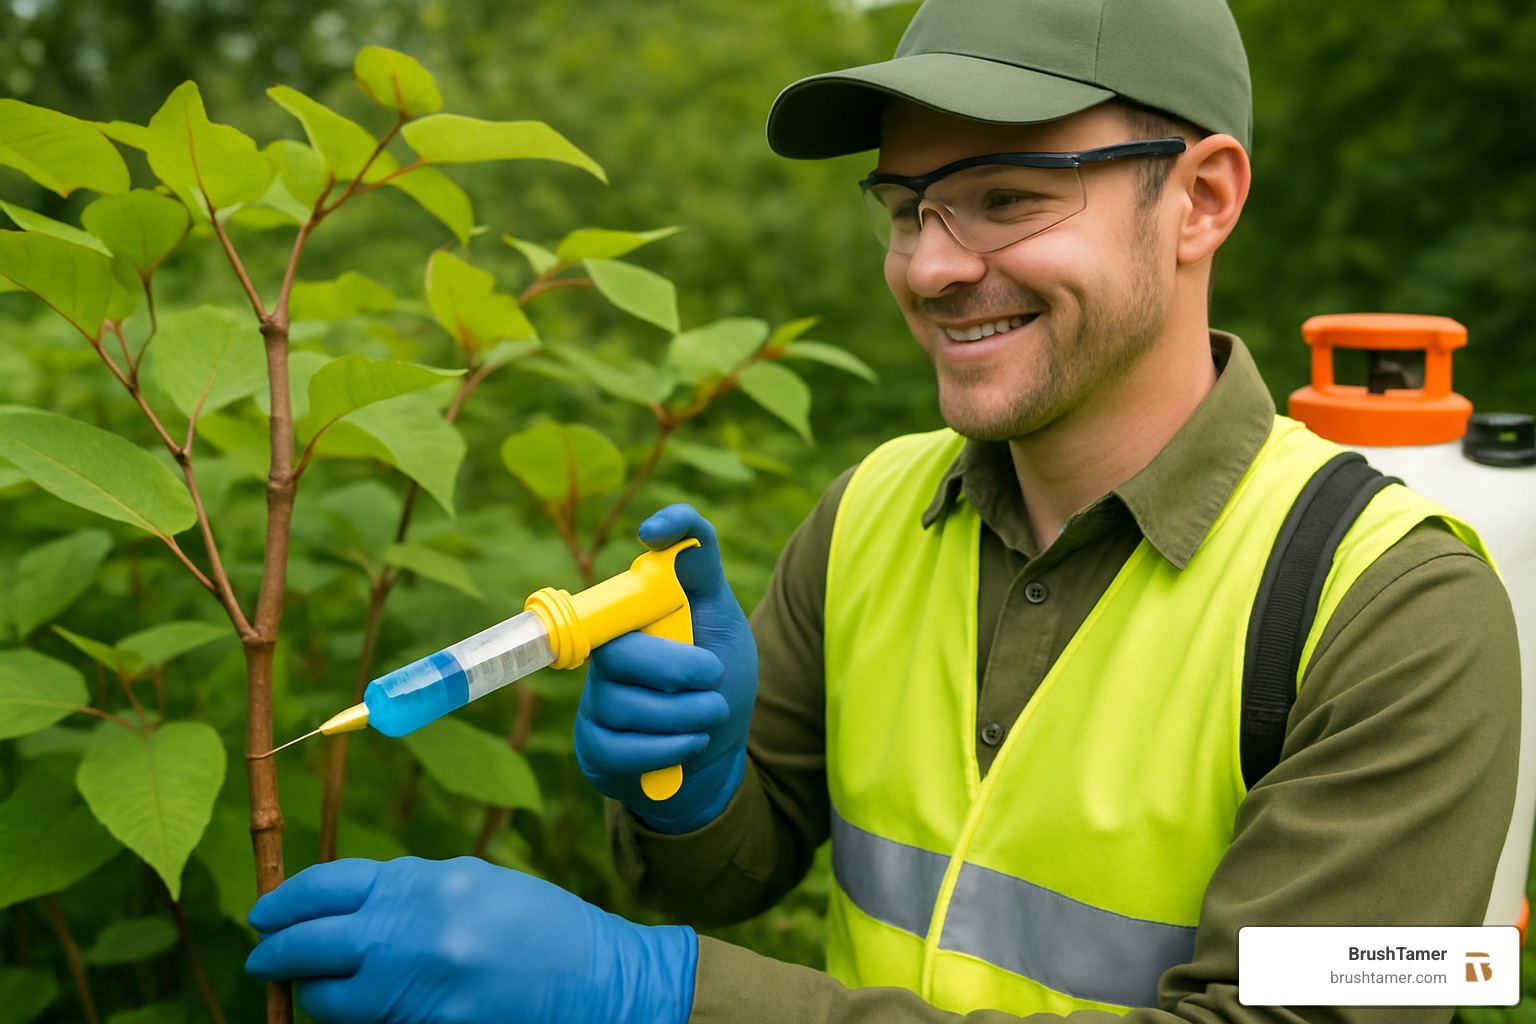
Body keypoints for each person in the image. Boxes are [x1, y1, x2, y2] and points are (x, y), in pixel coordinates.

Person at [245, 0, 1521, 1021]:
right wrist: (688, 793)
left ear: (1202, 198)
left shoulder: (1398, 614)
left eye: (1009, 197)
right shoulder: (872, 512)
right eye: (905, 208)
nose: (930, 266)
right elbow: (728, 875)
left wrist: (657, 994)